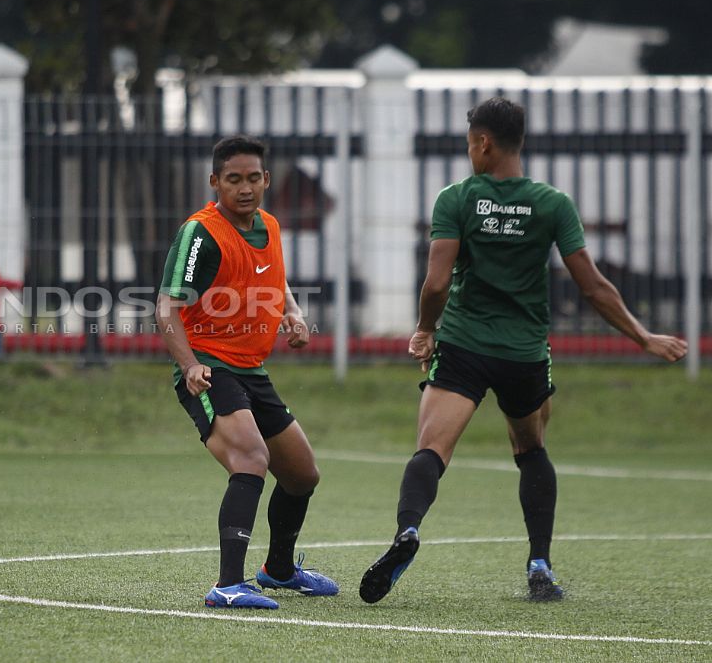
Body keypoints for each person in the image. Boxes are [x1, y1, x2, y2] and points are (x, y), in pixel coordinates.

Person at [358, 97, 688, 605]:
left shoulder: (456, 199)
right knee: (531, 451)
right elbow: (594, 286)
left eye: (471, 144)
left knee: (431, 449)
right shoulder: (552, 203)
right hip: (524, 353)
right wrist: (644, 337)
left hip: (464, 345)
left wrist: (425, 329)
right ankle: (539, 564)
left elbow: (437, 282)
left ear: (483, 143)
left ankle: (408, 530)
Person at [156, 135, 338, 610]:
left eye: (252, 178)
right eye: (233, 179)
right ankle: (227, 585)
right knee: (251, 459)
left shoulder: (271, 226)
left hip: (252, 370)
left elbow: (274, 279)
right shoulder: (201, 232)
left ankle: (278, 571)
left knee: (302, 474)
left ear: (266, 180)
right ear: (215, 181)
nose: (244, 188)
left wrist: (292, 315)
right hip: (210, 369)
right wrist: (190, 365)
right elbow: (166, 308)